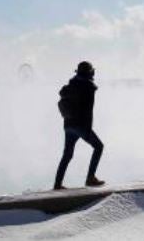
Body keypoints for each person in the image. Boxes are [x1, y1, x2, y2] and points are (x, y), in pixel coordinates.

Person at [54, 61, 105, 190]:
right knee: (99, 146)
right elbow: (87, 110)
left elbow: (63, 93)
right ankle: (90, 178)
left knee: (67, 154)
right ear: (89, 73)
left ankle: (57, 184)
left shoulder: (70, 86)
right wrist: (87, 129)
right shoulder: (88, 87)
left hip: (68, 125)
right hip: (81, 126)